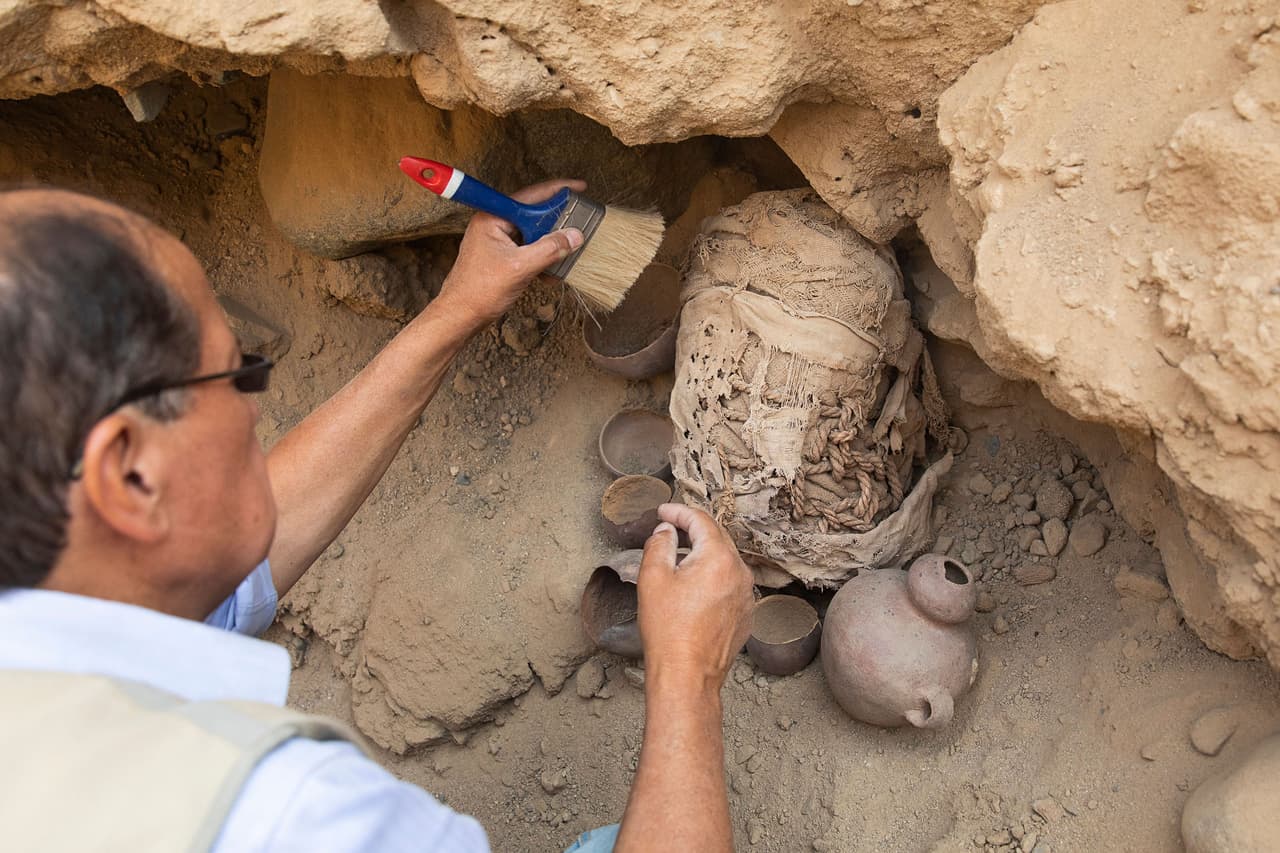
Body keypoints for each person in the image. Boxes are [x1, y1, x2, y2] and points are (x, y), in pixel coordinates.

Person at [0, 185, 755, 852]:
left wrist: (458, 309)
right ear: (129, 470)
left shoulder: (56, 611)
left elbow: (230, 568)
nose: (256, 403)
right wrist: (689, 675)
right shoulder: (299, 815)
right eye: (235, 373)